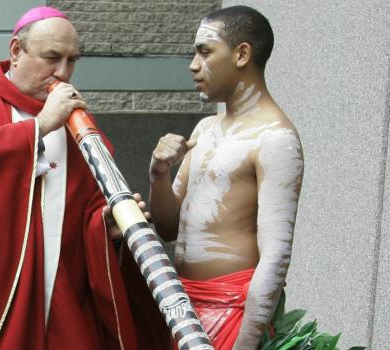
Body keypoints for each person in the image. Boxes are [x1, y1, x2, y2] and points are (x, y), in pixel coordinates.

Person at [0, 6, 151, 350]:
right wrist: (39, 126)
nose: (63, 72)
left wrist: (106, 226)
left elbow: (87, 206)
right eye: (52, 57)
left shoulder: (77, 124)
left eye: (72, 61)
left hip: (61, 292)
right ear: (15, 51)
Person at [149, 5, 304, 350]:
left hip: (232, 314)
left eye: (204, 52)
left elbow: (276, 256)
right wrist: (159, 175)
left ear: (242, 54)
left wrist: (245, 343)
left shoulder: (275, 138)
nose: (193, 64)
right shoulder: (204, 128)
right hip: (181, 308)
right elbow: (169, 228)